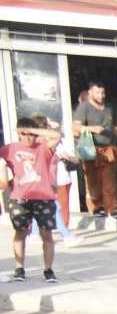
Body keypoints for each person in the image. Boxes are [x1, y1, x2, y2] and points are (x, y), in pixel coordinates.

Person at [3, 116, 62, 283]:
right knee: (20, 233)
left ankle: (48, 269)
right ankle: (19, 268)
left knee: (47, 234)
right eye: (25, 134)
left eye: (32, 135)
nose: (29, 138)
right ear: (19, 133)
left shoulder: (43, 147)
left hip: (43, 197)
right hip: (20, 197)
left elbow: (56, 136)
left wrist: (34, 130)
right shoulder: (10, 149)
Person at [72, 82, 117, 231]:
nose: (101, 96)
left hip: (108, 149)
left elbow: (110, 127)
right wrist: (90, 128)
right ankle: (94, 210)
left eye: (103, 93)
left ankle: (110, 213)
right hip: (91, 150)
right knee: (93, 184)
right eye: (97, 93)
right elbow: (74, 127)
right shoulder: (84, 107)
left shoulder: (107, 108)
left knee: (109, 182)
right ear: (90, 93)